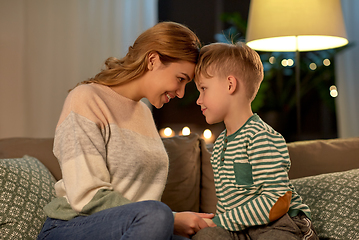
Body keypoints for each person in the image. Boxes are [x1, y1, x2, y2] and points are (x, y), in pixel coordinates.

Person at [37, 21, 214, 240]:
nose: (180, 93)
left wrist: (170, 219)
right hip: (72, 227)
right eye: (180, 79)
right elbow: (86, 196)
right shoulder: (86, 99)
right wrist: (171, 218)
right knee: (158, 215)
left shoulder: (144, 113)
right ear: (153, 60)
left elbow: (141, 210)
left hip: (131, 227)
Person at [191, 42, 319, 240]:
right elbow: (228, 204)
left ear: (230, 85)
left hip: (277, 223)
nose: (199, 100)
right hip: (242, 227)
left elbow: (278, 201)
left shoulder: (261, 136)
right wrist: (215, 225)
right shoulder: (219, 146)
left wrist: (220, 222)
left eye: (204, 89)